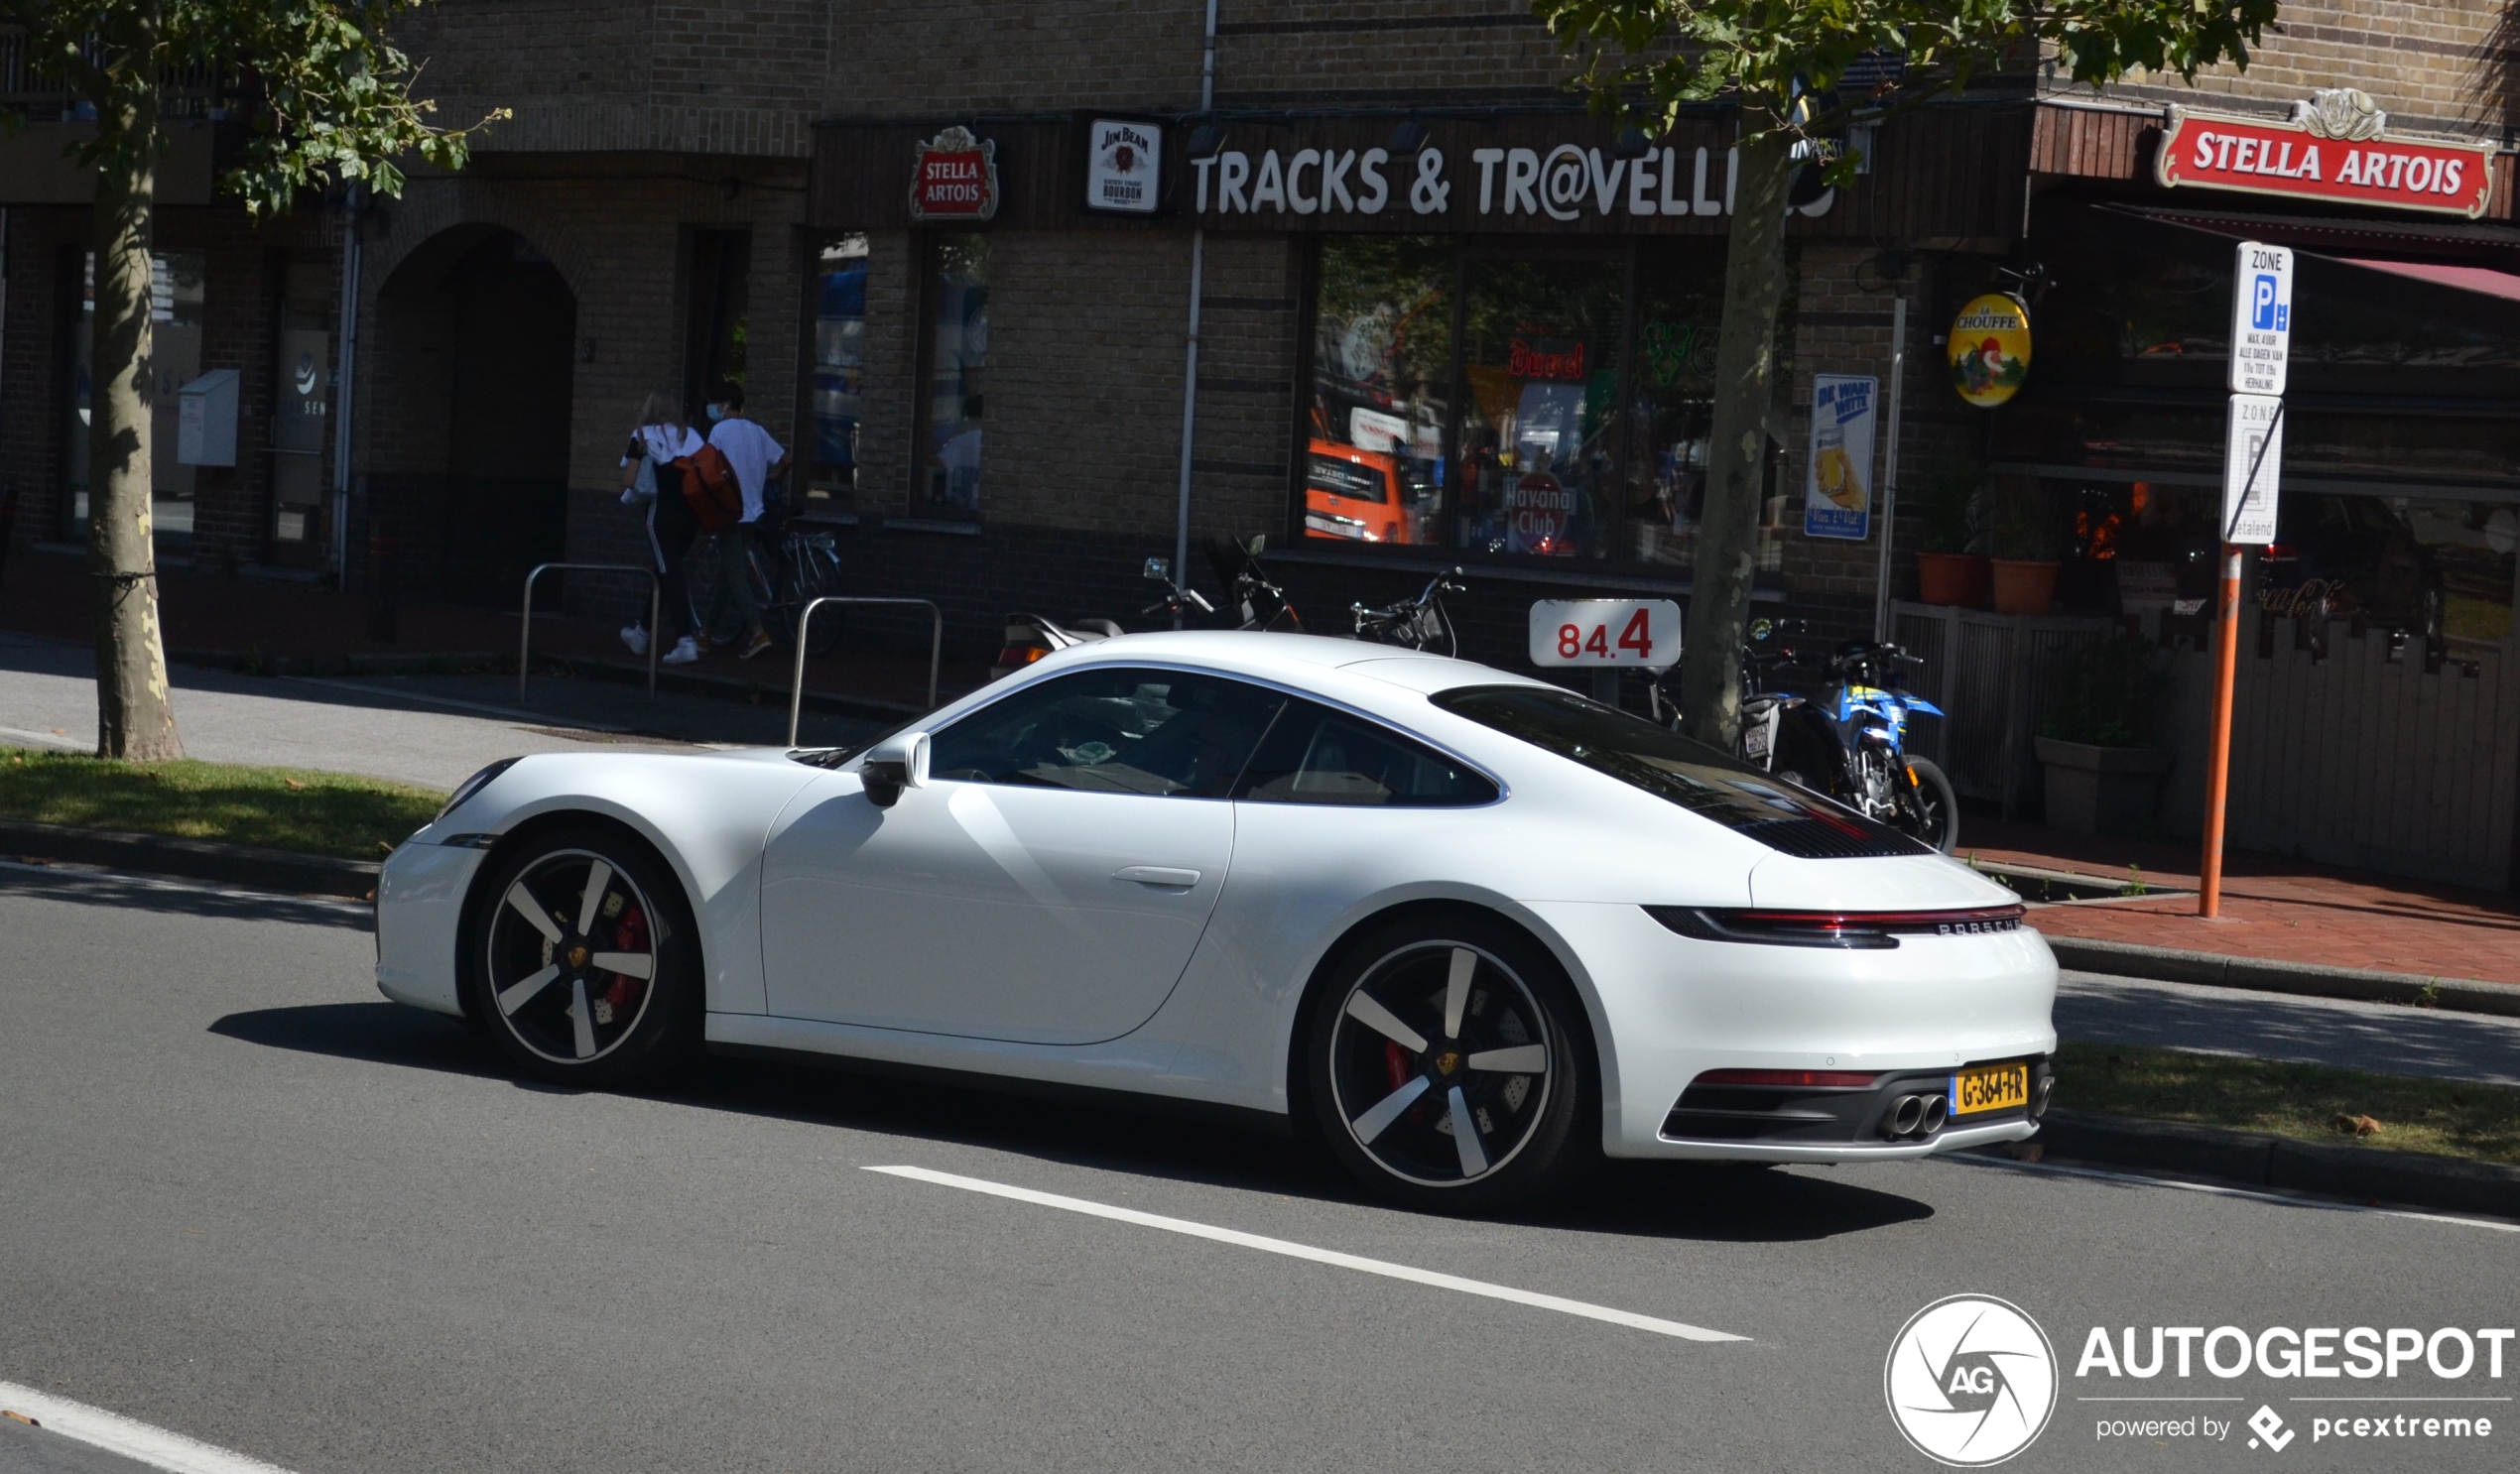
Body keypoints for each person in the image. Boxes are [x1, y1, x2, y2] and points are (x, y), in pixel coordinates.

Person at [699, 382, 789, 660]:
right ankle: (705, 635)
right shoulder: (757, 431)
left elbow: (708, 469)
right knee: (728, 573)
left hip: (729, 514)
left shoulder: (719, 431)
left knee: (735, 575)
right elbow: (786, 459)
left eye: (715, 403)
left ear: (725, 404)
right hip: (754, 512)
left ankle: (758, 632)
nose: (712, 409)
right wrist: (772, 479)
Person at [618, 390, 705, 665]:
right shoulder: (691, 436)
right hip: (692, 515)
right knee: (667, 570)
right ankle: (641, 633)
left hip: (662, 513)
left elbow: (630, 480)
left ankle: (685, 640)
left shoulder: (643, 435)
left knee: (671, 573)